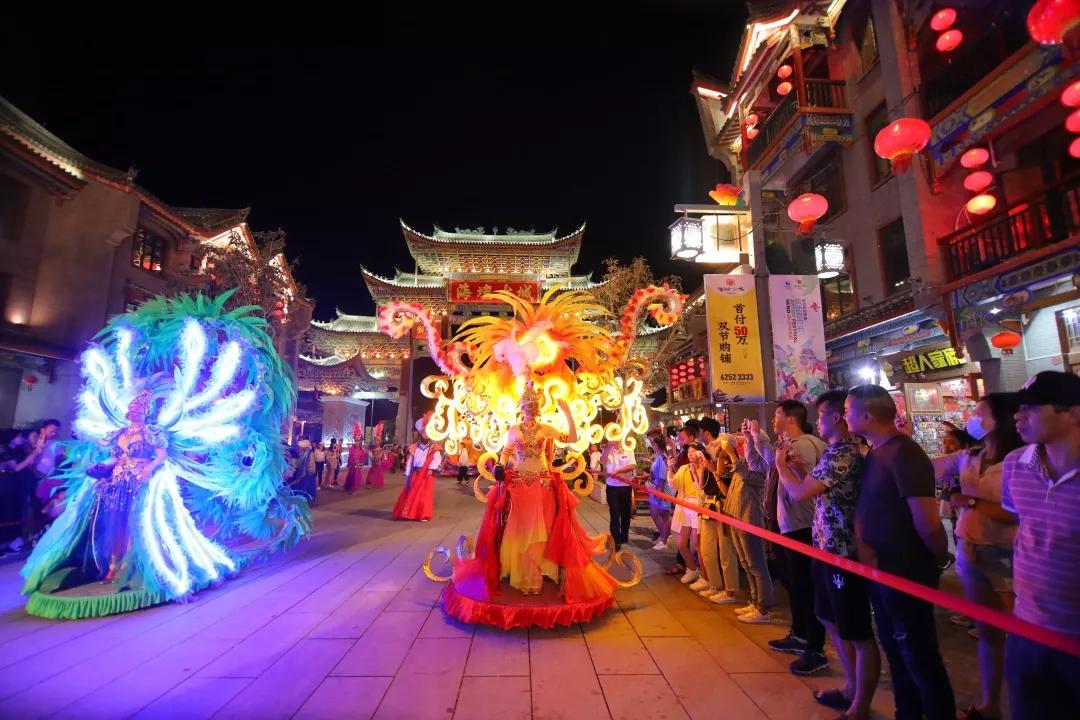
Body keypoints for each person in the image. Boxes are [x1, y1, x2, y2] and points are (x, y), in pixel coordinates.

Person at [847, 384, 955, 720]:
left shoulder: (905, 453)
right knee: (896, 649)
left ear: (867, 415)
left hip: (906, 569)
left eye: (849, 410)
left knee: (918, 652)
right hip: (883, 570)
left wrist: (940, 556)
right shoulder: (877, 452)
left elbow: (927, 520)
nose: (845, 416)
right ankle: (907, 711)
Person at [776, 390, 880, 720]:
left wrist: (781, 467)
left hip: (843, 551)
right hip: (825, 546)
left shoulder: (844, 453)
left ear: (836, 417)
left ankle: (860, 705)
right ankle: (850, 687)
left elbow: (800, 492)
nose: (817, 421)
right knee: (827, 616)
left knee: (856, 629)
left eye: (821, 415)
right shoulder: (833, 451)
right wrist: (790, 469)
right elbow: (808, 486)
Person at [932, 395, 1023, 720]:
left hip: (1007, 552)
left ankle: (1023, 703)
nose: (973, 417)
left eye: (980, 413)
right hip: (969, 549)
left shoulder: (1020, 459)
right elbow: (932, 467)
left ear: (1001, 418)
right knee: (988, 632)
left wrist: (969, 503)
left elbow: (1018, 514)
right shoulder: (970, 456)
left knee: (1020, 632)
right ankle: (991, 704)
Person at [1001, 372, 1080, 718]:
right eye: (1019, 408)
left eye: (1032, 408)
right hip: (1027, 628)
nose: (1019, 416)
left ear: (1073, 413)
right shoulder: (1015, 465)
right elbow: (1026, 527)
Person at [748, 402, 828, 673]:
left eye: (777, 414)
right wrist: (754, 439)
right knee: (794, 581)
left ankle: (812, 644)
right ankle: (800, 633)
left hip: (802, 524)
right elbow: (769, 464)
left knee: (805, 584)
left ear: (791, 418)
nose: (773, 419)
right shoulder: (789, 444)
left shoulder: (804, 445)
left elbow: (802, 480)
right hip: (790, 523)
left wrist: (766, 444)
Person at [726, 428, 774, 623]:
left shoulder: (760, 465)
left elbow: (748, 478)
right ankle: (755, 602)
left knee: (756, 564)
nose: (742, 444)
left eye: (746, 441)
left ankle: (764, 607)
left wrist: (732, 454)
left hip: (749, 517)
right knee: (746, 563)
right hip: (736, 515)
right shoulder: (744, 462)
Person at [697, 417, 739, 604]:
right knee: (707, 548)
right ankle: (714, 584)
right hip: (708, 503)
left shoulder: (726, 456)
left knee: (725, 549)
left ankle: (730, 591)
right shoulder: (707, 452)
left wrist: (714, 466)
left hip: (722, 504)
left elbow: (723, 482)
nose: (719, 451)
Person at [667, 442, 706, 585]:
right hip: (684, 507)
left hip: (698, 507)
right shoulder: (684, 468)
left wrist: (697, 473)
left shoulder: (704, 468)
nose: (690, 454)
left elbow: (703, 489)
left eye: (694, 451)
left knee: (697, 544)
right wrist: (670, 468)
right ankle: (692, 569)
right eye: (689, 452)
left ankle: (704, 576)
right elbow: (673, 485)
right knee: (681, 543)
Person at [392, 415, 442, 522]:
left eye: (428, 432)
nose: (426, 434)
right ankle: (409, 513)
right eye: (424, 432)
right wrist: (407, 471)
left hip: (426, 475)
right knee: (410, 492)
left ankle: (422, 514)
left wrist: (431, 468)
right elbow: (411, 460)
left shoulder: (434, 447)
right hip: (415, 473)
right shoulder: (414, 446)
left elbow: (436, 459)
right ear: (420, 433)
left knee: (424, 495)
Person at [602, 439, 636, 551]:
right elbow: (602, 461)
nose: (614, 439)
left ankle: (624, 536)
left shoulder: (628, 449)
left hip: (626, 486)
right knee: (614, 512)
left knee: (625, 513)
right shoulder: (607, 450)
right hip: (612, 487)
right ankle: (616, 539)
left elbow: (632, 465)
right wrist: (607, 448)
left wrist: (619, 471)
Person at [646, 431, 672, 551]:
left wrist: (658, 493)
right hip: (656, 489)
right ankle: (663, 536)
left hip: (661, 490)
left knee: (663, 515)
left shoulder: (662, 457)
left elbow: (662, 478)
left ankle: (665, 539)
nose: (650, 444)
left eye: (652, 441)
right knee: (655, 513)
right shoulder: (658, 456)